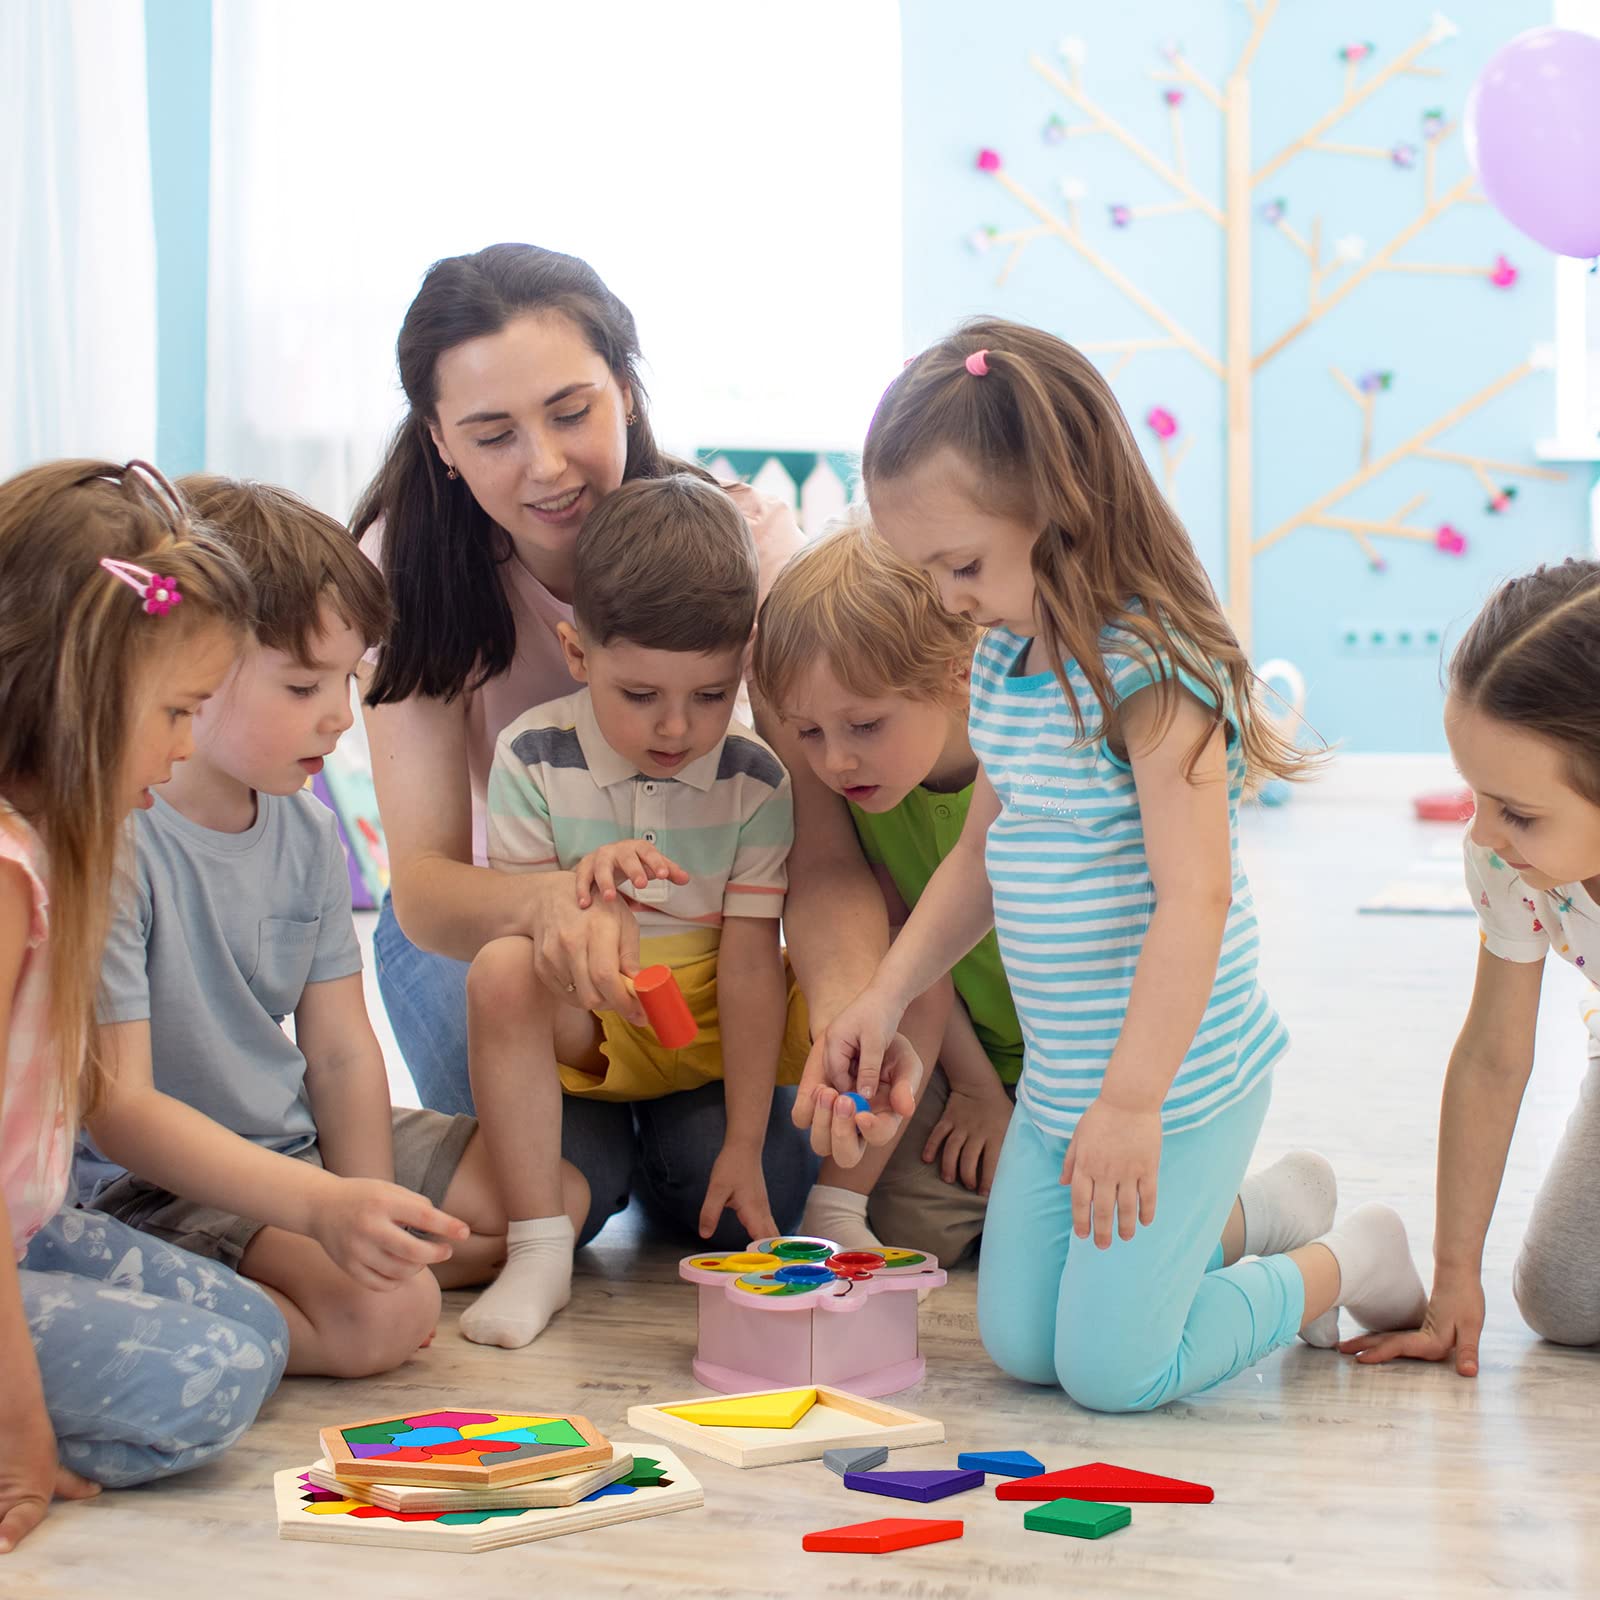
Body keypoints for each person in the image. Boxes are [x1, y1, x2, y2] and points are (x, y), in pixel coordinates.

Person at [806, 320, 1426, 1411]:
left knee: (1113, 1371)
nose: (948, 596)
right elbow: (982, 857)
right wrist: (885, 990)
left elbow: (1196, 899)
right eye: (926, 571)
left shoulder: (1153, 674)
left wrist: (1134, 1104)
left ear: (1063, 509)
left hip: (1176, 1088)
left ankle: (1349, 1256)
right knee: (1020, 1344)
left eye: (963, 564)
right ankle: (1267, 1208)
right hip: (1063, 1088)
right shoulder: (1001, 660)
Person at [355, 243, 812, 1243]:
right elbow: (426, 887)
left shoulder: (746, 543)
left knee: (743, 1182)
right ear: (438, 439)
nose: (548, 466)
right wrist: (553, 903)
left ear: (627, 392)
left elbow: (819, 834)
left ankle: (664, 1137)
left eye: (572, 412)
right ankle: (612, 1145)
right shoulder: (409, 566)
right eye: (493, 434)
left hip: (693, 944)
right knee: (564, 1181)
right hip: (495, 935)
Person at [84, 476, 554, 1375]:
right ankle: (165, 1306)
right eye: (304, 685)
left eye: (347, 678)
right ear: (194, 669)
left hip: (288, 1134)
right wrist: (325, 1212)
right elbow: (123, 1114)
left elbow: (339, 1049)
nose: (341, 715)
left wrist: (362, 1197)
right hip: (167, 1177)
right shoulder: (119, 840)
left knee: (540, 1201)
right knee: (388, 1314)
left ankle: (313, 1256)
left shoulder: (304, 828)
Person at [0, 460, 285, 1554]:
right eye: (174, 711)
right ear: (78, 692)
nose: (182, 745)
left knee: (252, 1330)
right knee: (205, 1384)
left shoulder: (52, 851)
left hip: (27, 1232)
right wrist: (21, 1427)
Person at [462, 475, 811, 1346]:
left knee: (743, 1203)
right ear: (577, 654)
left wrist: (742, 1138)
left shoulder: (756, 777)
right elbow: (531, 943)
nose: (676, 728)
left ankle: (672, 1163)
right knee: (501, 967)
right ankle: (538, 1250)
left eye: (709, 694)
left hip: (702, 1032)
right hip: (591, 1019)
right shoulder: (533, 755)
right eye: (641, 695)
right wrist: (589, 886)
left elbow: (749, 960)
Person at [1346, 560, 1600, 1372]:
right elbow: (1493, 1057)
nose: (1485, 833)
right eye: (1475, 795)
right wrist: (1455, 1278)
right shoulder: (1505, 863)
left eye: (1518, 813)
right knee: (1560, 1299)